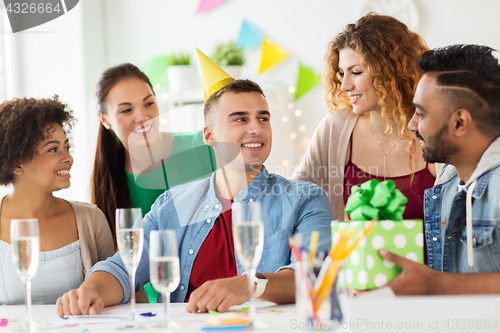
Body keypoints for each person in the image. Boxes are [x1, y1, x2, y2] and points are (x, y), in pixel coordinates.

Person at [55, 54, 332, 316]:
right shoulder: (171, 205)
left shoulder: (304, 200)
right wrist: (91, 291)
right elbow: (123, 268)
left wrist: (249, 285)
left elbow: (313, 274)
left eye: (263, 118)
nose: (256, 128)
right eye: (240, 118)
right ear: (209, 136)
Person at [292, 13, 436, 221]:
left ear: (391, 72)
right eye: (342, 73)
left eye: (356, 72)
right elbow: (294, 197)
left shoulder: (436, 127)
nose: (344, 86)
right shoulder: (337, 128)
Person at [381, 44, 500, 294]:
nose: (412, 126)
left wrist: (437, 285)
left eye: (421, 114)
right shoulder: (447, 185)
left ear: (459, 122)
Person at [92, 63, 216, 302]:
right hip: (153, 308)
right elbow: (123, 266)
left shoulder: (204, 148)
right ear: (105, 119)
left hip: (214, 298)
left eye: (149, 103)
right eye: (126, 110)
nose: (143, 117)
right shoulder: (109, 181)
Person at [0, 96, 114, 305]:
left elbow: (120, 289)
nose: (68, 158)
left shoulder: (91, 219)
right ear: (16, 163)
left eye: (67, 147)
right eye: (53, 149)